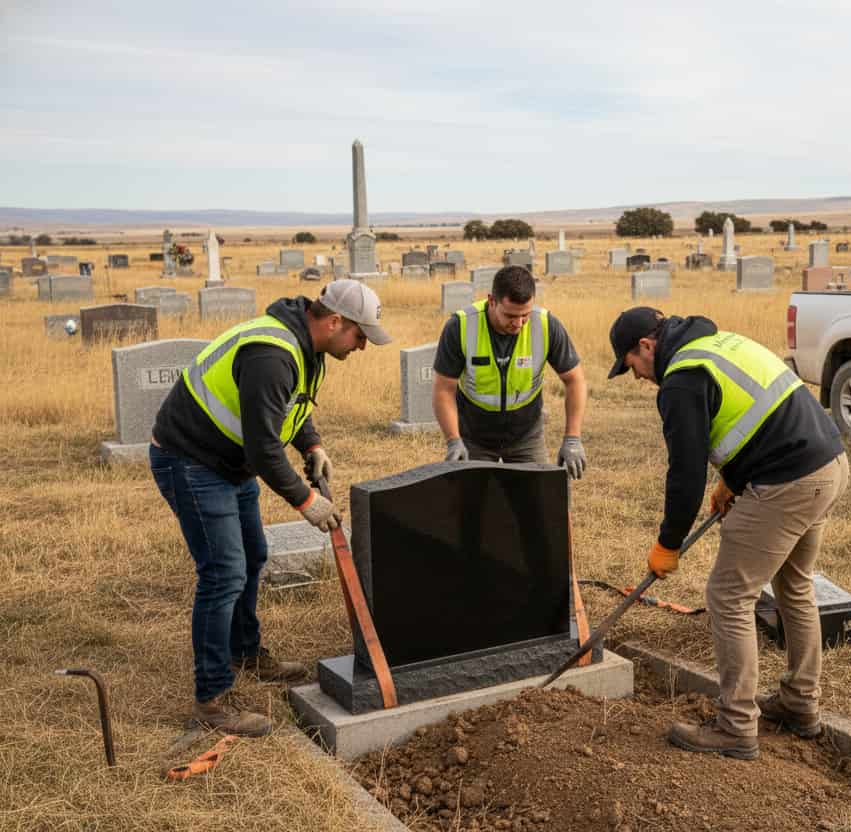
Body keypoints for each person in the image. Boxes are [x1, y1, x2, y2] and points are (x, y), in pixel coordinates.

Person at [150, 280, 392, 736]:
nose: (362, 346)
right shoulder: (271, 355)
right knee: (223, 574)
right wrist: (307, 501)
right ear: (335, 321)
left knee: (253, 556)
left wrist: (312, 443)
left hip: (228, 463)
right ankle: (211, 702)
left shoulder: (307, 346)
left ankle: (245, 652)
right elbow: (264, 448)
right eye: (360, 335)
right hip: (192, 461)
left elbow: (289, 406)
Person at [607, 306, 850, 759]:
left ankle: (736, 725)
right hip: (829, 464)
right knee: (794, 587)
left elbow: (684, 473)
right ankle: (800, 705)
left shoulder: (681, 377)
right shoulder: (719, 343)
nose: (638, 377)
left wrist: (668, 543)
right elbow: (759, 416)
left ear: (645, 346)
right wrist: (732, 481)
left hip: (789, 481)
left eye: (631, 366)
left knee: (728, 595)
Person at [432, 266, 588, 475]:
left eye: (525, 315)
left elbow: (575, 380)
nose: (518, 323)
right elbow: (444, 389)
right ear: (492, 301)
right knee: (471, 504)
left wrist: (572, 439)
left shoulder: (545, 325)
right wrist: (453, 440)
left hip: (526, 435)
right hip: (474, 436)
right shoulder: (460, 326)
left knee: (547, 501)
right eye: (510, 316)